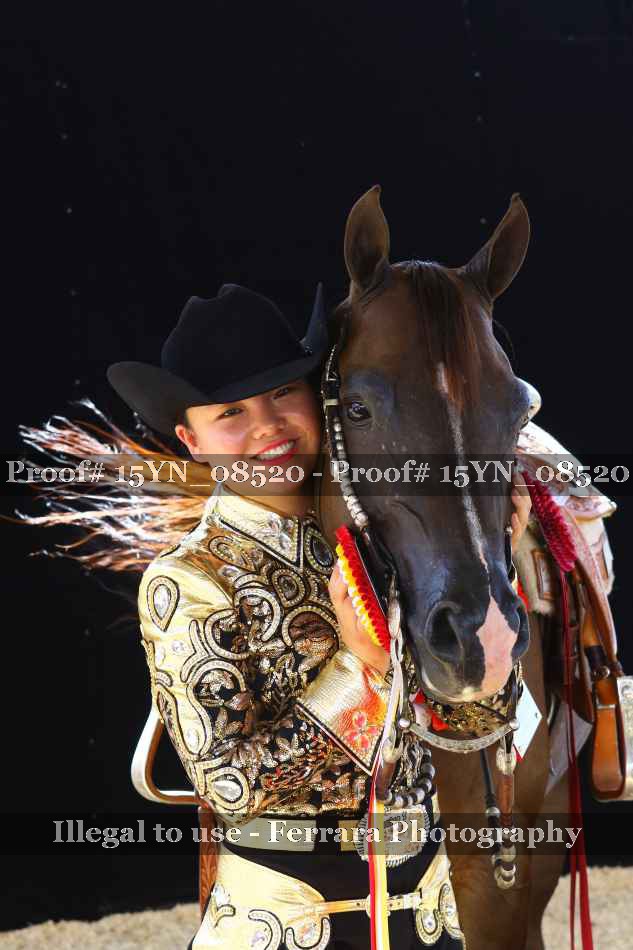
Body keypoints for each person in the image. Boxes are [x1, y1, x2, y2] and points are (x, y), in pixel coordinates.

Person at [107, 282, 531, 950]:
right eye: (232, 412)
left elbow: (474, 724)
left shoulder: (386, 548)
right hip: (286, 925)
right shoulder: (189, 580)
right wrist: (359, 668)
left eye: (283, 392)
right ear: (192, 440)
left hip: (424, 913)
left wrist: (491, 564)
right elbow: (234, 785)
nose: (268, 425)